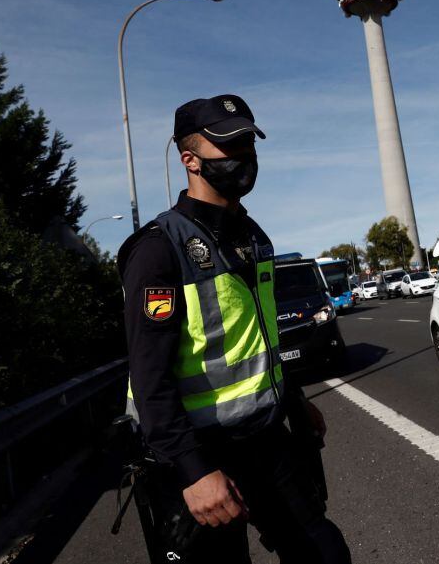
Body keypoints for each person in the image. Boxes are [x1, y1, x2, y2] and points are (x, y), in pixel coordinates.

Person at [118, 94, 351, 562]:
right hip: (198, 451)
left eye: (248, 143)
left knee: (323, 551)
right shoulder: (159, 250)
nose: (243, 157)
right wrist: (193, 470)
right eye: (228, 146)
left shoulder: (253, 236)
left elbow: (260, 338)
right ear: (190, 160)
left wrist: (295, 402)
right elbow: (149, 378)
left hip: (265, 438)